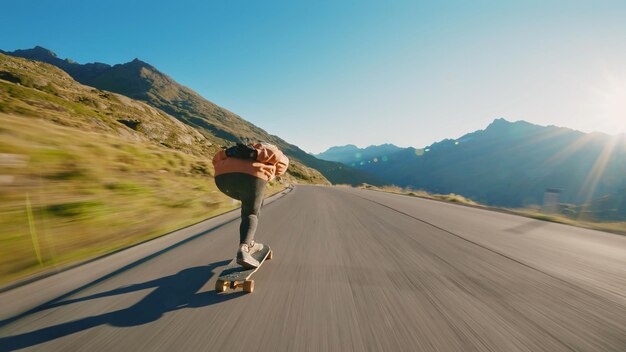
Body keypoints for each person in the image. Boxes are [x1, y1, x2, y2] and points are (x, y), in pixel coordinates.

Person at [212, 142, 289, 268]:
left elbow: (215, 159)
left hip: (222, 179)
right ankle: (244, 249)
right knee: (251, 213)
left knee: (251, 203)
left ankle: (250, 241)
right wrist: (255, 154)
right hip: (251, 177)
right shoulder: (272, 150)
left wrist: (228, 152)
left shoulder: (239, 149)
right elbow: (278, 159)